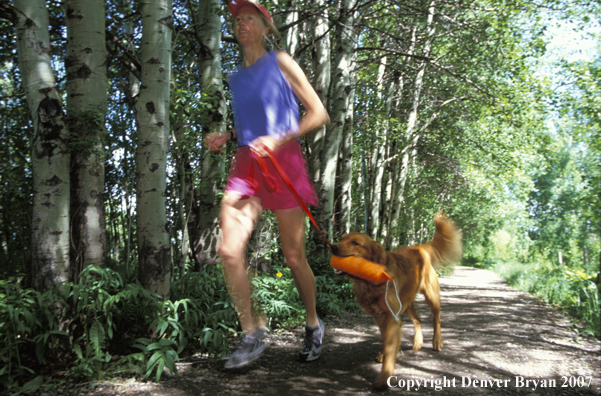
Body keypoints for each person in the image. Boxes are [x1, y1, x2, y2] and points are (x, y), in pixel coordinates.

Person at [204, 0, 329, 369]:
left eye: (249, 18)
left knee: (294, 257)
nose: (242, 23)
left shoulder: (281, 61)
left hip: (283, 159)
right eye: (238, 19)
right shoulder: (235, 77)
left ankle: (312, 323)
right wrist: (227, 135)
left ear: (264, 26)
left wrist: (278, 138)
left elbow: (318, 112)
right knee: (228, 251)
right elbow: (251, 122)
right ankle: (252, 332)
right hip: (247, 163)